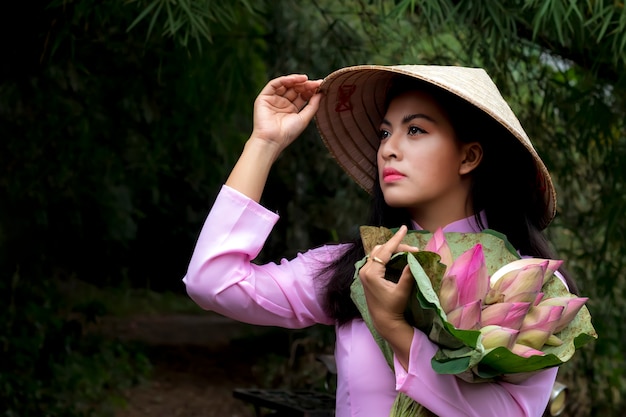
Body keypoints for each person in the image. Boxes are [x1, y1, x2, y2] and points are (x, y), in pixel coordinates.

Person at [183, 65, 577, 417]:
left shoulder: (530, 285)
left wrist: (395, 329)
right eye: (385, 133)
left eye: (416, 130)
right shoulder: (354, 269)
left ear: (468, 156)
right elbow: (213, 282)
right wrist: (264, 144)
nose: (388, 148)